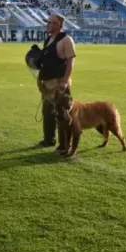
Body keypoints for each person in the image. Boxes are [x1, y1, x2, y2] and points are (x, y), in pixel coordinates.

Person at [37, 14, 76, 151]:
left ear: (60, 25)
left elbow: (71, 62)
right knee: (47, 112)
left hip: (59, 83)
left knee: (62, 115)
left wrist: (65, 80)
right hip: (47, 84)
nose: (49, 25)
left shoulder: (66, 40)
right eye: (48, 23)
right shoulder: (49, 39)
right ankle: (49, 139)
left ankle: (65, 145)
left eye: (52, 23)